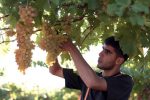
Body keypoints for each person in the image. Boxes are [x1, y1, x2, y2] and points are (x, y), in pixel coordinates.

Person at [49, 36, 134, 100]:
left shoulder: (125, 81)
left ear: (119, 60)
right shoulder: (89, 77)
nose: (100, 53)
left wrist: (71, 48)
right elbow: (55, 70)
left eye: (107, 52)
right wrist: (53, 47)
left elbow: (93, 82)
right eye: (102, 49)